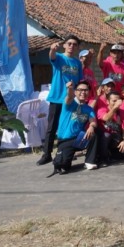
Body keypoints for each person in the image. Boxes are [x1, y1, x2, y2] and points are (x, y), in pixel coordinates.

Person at [38, 36, 83, 166]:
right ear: (64, 45)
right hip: (57, 98)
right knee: (52, 128)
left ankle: (63, 152)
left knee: (67, 127)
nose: (71, 46)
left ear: (77, 47)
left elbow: (80, 81)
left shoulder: (77, 63)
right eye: (69, 43)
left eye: (75, 44)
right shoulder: (59, 57)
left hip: (71, 100)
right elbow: (52, 56)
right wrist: (52, 49)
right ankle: (46, 154)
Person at [50, 81, 98, 174]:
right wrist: (70, 88)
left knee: (94, 135)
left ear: (88, 92)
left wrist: (91, 126)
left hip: (79, 139)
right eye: (80, 90)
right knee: (63, 167)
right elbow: (69, 97)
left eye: (85, 90)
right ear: (76, 92)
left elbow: (93, 121)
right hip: (65, 140)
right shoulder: (69, 103)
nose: (83, 92)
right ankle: (63, 156)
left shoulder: (89, 109)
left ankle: (89, 161)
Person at [96, 90, 124, 164]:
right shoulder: (102, 109)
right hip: (103, 138)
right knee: (106, 135)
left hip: (115, 137)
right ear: (107, 101)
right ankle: (103, 158)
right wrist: (115, 108)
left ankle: (113, 154)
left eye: (118, 100)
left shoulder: (121, 112)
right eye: (114, 101)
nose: (116, 103)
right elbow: (106, 118)